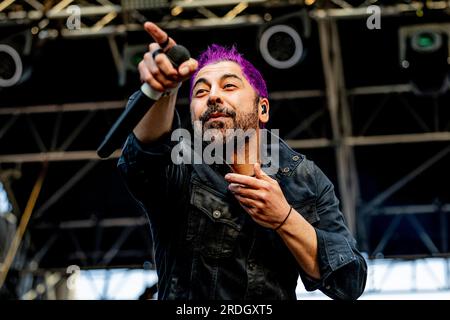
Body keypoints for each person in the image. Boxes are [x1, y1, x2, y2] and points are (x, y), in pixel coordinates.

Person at [118, 22, 367, 300]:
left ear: (262, 109)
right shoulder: (183, 165)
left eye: (229, 86)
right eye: (200, 92)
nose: (212, 96)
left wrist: (284, 218)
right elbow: (145, 159)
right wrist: (160, 92)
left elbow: (349, 280)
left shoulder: (303, 177)